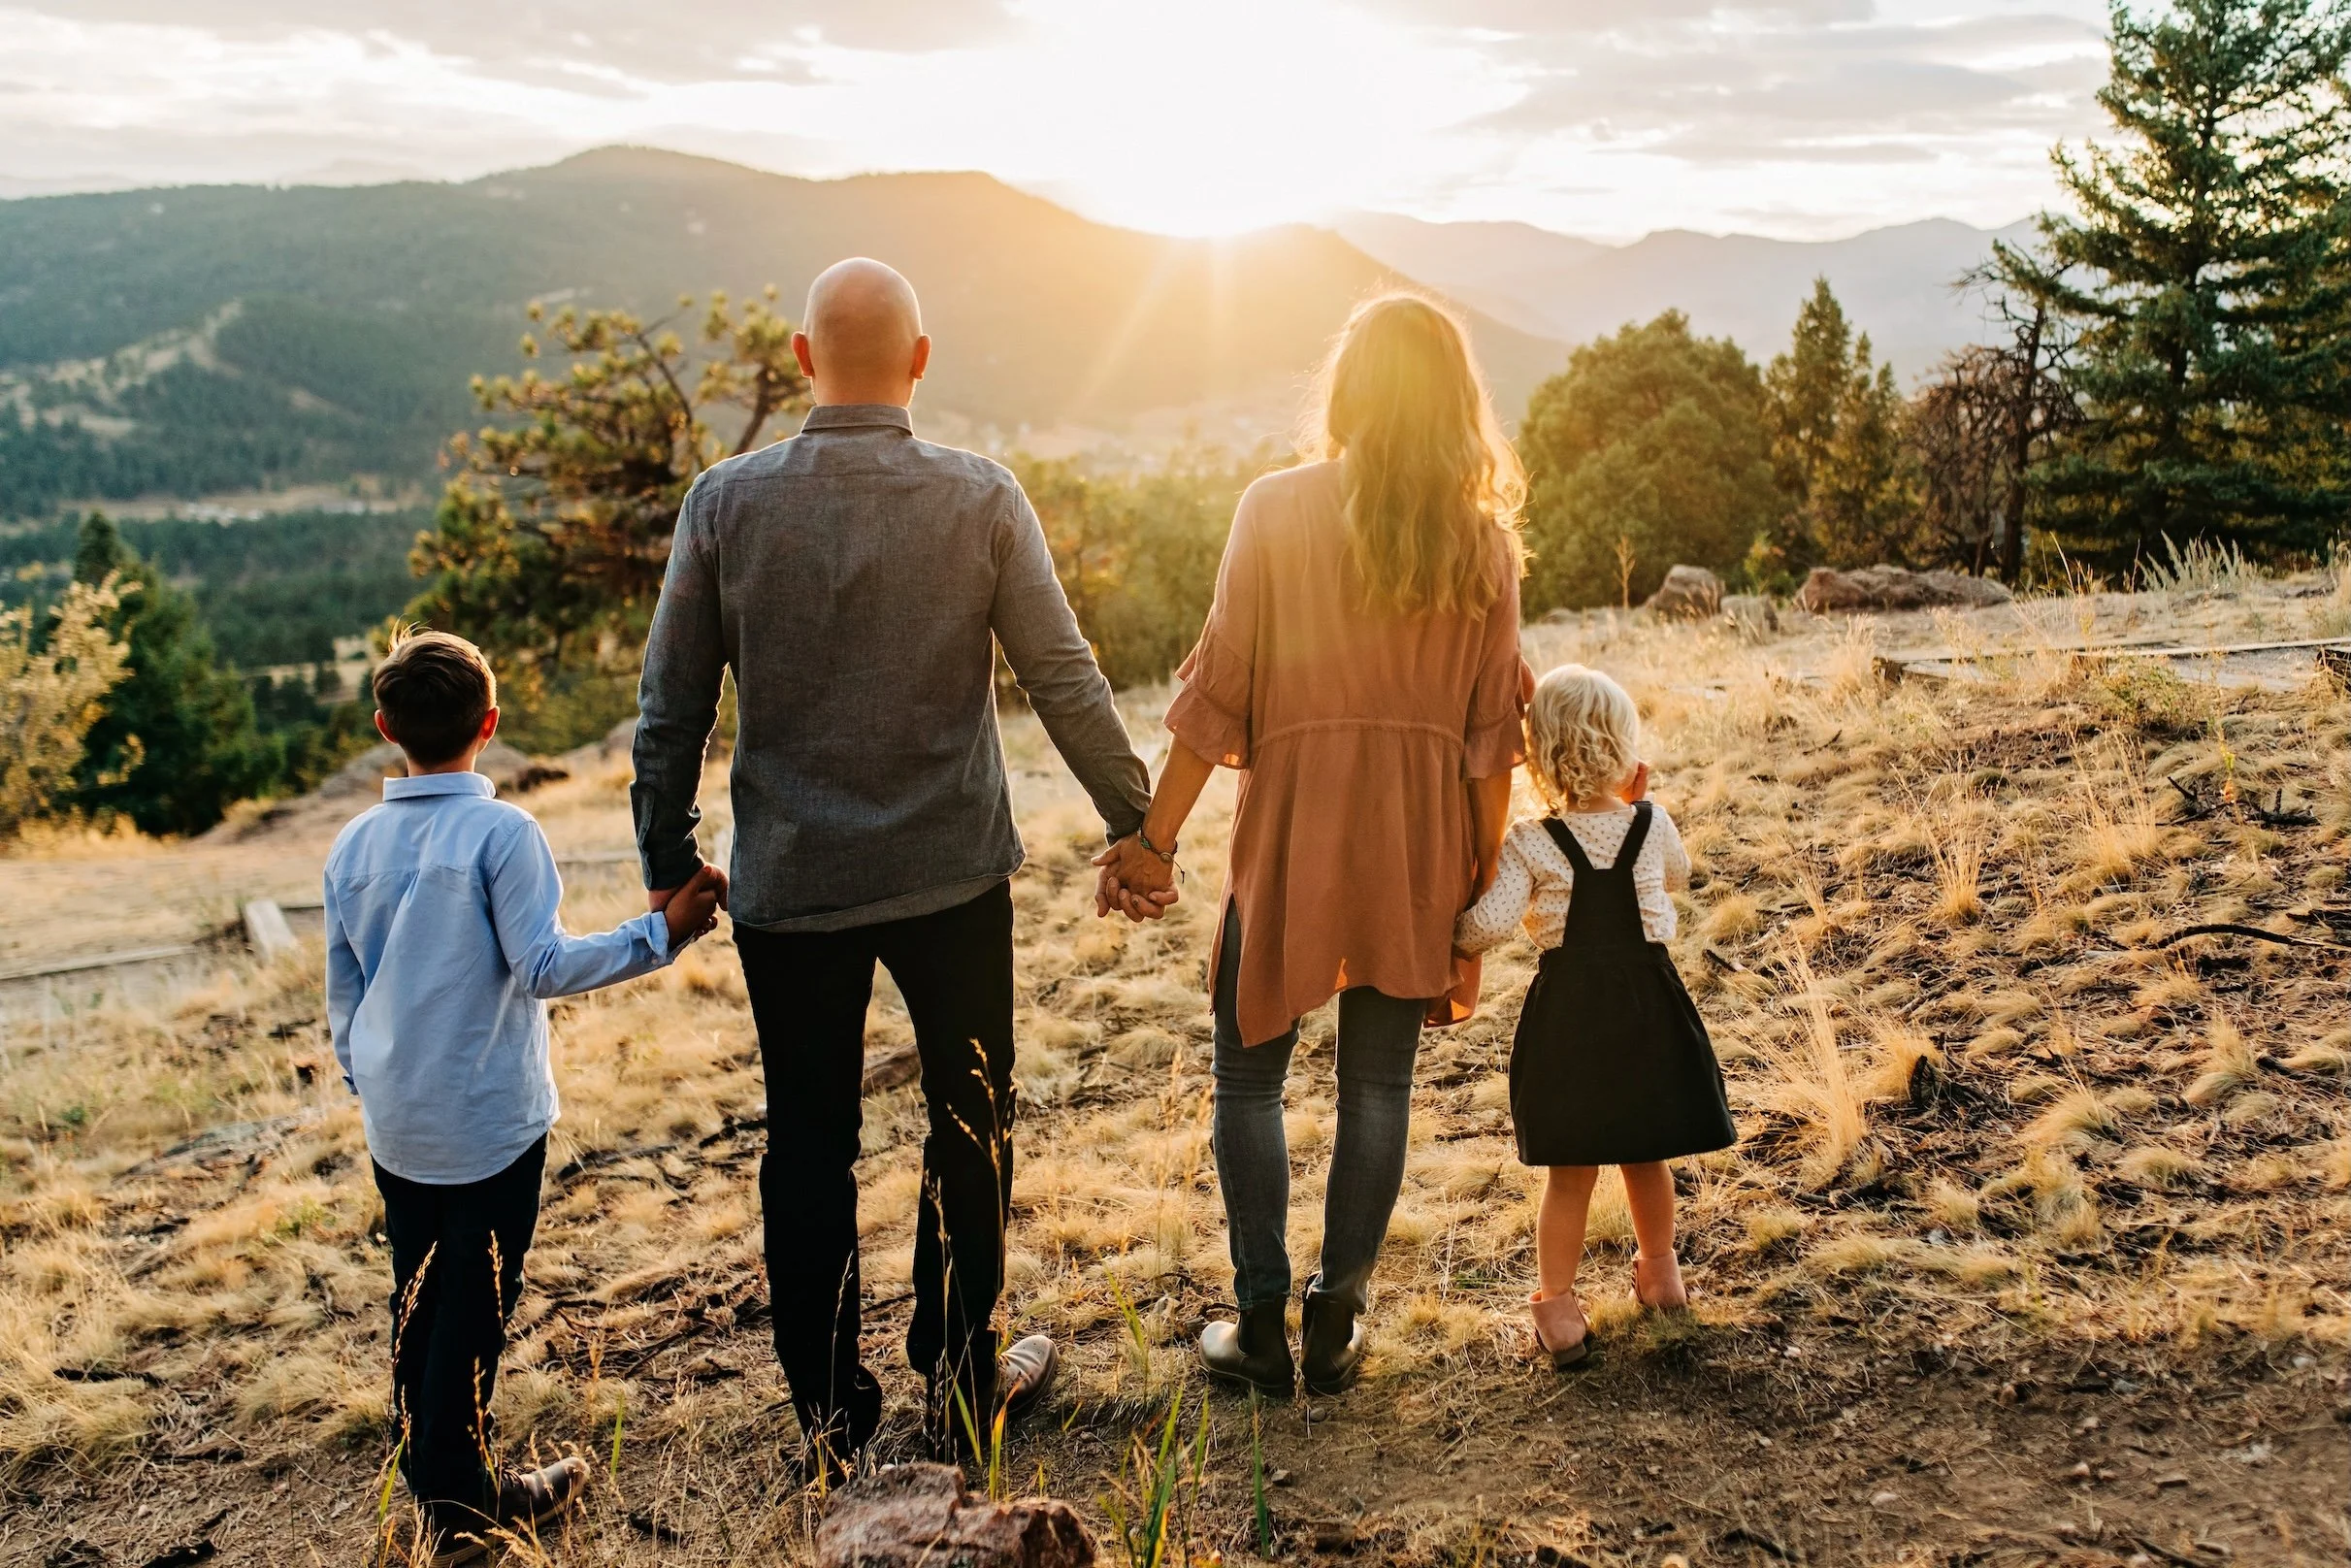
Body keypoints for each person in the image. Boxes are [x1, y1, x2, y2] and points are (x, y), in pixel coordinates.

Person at [633, 257, 1173, 1479]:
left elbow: (670, 704)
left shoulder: (723, 503)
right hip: (950, 877)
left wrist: (667, 856)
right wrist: (1137, 826)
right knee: (968, 1119)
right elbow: (1063, 673)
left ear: (799, 358)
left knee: (807, 1142)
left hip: (791, 885)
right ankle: (962, 1371)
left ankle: (830, 1411)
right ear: (920, 361)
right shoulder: (980, 497)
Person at [1116, 293, 1527, 1398]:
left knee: (1245, 1074)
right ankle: (1335, 1320)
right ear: (1455, 407)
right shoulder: (1479, 546)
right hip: (1414, 841)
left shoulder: (1271, 509)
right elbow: (1491, 746)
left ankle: (1258, 1323)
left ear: (1347, 391)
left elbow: (1214, 700)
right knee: (1376, 1083)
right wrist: (1476, 887)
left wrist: (1154, 842)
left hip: (1292, 827)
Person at [324, 630, 724, 1563]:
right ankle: (462, 1508)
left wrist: (369, 1079)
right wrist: (658, 933)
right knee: (474, 1302)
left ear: (387, 729)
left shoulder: (352, 844)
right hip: (492, 1121)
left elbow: (344, 993)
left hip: (397, 1118)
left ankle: (428, 1459)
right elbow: (543, 965)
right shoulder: (503, 833)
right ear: (491, 727)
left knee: (418, 1290)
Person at [1452, 663, 1736, 1368]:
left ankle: (1557, 1312)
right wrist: (1637, 805)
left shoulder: (1529, 840)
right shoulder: (1652, 823)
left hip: (1570, 1023)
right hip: (1647, 1010)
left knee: (1570, 1172)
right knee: (1647, 1154)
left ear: (1539, 755)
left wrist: (1451, 916)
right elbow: (1677, 876)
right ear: (1623, 748)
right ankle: (1661, 1277)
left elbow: (1480, 929)